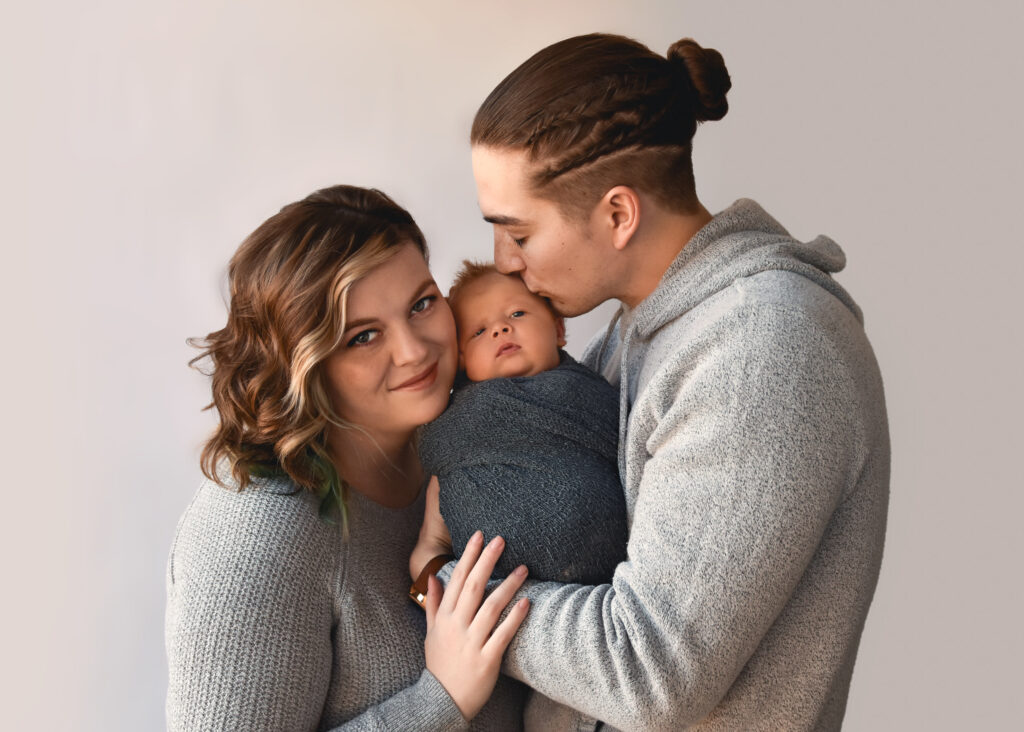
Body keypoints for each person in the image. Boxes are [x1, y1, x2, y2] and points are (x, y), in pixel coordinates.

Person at [414, 33, 890, 730]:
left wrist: (452, 587)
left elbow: (646, 672)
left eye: (517, 233)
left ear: (617, 214)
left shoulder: (764, 350)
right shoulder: (634, 338)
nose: (503, 264)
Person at [166, 185, 530, 730]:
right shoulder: (256, 534)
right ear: (301, 363)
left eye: (422, 304)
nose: (413, 350)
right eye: (362, 336)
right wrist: (441, 699)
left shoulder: (460, 441)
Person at [415, 261, 627, 584]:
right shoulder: (456, 416)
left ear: (558, 329)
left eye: (517, 314)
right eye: (479, 331)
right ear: (461, 359)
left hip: (606, 583)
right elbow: (433, 445)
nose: (500, 329)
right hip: (488, 588)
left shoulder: (591, 389)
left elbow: (622, 444)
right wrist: (428, 560)